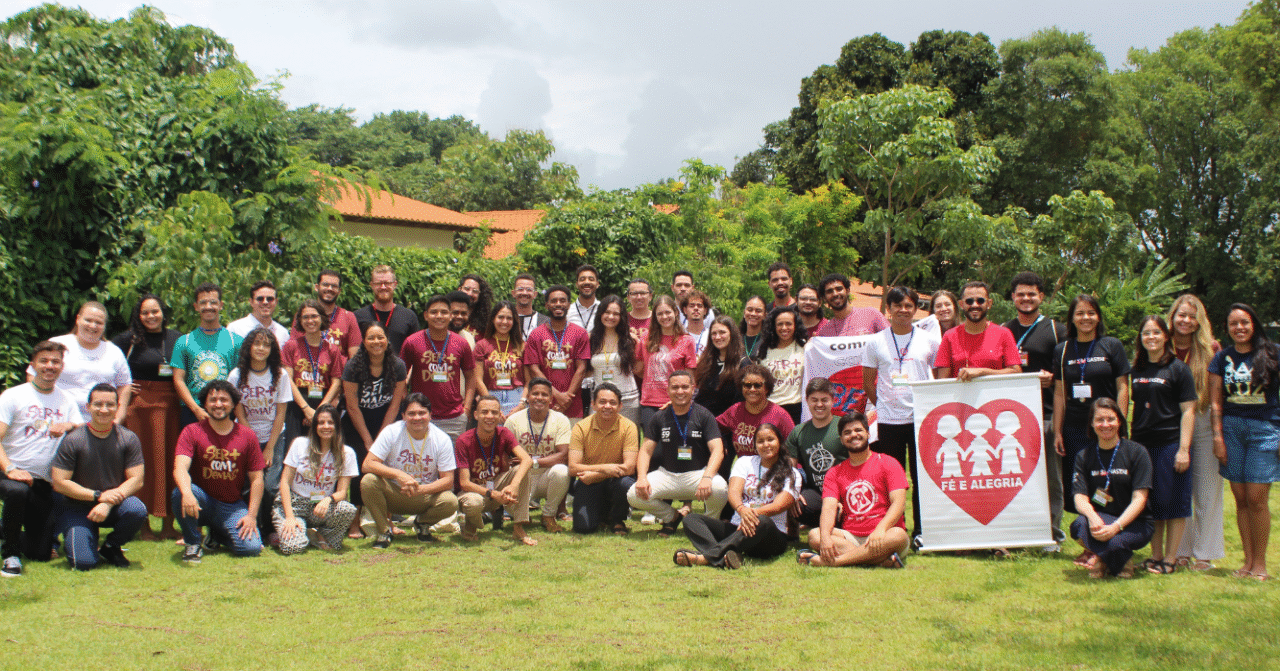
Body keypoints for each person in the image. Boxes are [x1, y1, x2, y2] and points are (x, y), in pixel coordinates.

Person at [1209, 303, 1280, 581]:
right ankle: (1247, 563)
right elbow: (1216, 402)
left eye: (1244, 322)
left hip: (1265, 429)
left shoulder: (1273, 353)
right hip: (1231, 431)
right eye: (1233, 324)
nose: (1239, 328)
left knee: (1257, 499)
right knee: (1240, 499)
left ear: (1254, 324)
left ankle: (1260, 565)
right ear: (1227, 328)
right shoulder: (1221, 358)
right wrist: (1217, 437)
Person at [0, 341, 84, 577]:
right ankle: (10, 556)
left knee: (40, 553)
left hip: (42, 482)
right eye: (44, 361)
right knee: (17, 491)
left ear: (61, 366)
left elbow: (81, 428)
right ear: (33, 365)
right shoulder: (13, 395)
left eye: (55, 361)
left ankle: (8, 531)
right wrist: (10, 469)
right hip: (8, 473)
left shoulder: (65, 400)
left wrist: (67, 425)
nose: (50, 366)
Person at [862, 286, 938, 542]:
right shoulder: (875, 341)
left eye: (908, 306)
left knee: (921, 477)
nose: (903, 310)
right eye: (898, 306)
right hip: (888, 421)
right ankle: (896, 530)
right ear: (888, 309)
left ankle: (922, 531)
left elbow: (940, 377)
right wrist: (884, 406)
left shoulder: (929, 340)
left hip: (920, 420)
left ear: (915, 309)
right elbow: (868, 382)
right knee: (892, 480)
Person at [1002, 272, 1068, 548]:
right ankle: (1020, 530)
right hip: (1011, 419)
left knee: (1051, 477)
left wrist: (1054, 377)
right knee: (1014, 476)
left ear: (1041, 296)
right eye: (1021, 294)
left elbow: (1069, 369)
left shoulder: (1056, 330)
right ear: (1012, 297)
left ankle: (1052, 533)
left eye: (1032, 294)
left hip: (1047, 413)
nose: (1026, 298)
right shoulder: (1004, 330)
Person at [675, 423, 801, 569]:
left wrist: (752, 515)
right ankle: (726, 557)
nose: (766, 444)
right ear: (755, 446)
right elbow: (733, 492)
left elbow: (779, 506)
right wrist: (742, 510)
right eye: (760, 441)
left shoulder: (792, 473)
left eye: (770, 440)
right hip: (738, 528)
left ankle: (706, 557)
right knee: (691, 519)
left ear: (780, 442)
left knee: (762, 521)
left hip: (770, 537)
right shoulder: (745, 462)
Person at [50, 384, 146, 570]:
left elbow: (137, 479)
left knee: (137, 509)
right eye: (98, 404)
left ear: (118, 407)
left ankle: (111, 546)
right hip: (78, 507)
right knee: (83, 563)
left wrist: (107, 502)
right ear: (88, 407)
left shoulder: (128, 438)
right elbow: (60, 483)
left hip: (114, 504)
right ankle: (85, 538)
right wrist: (98, 496)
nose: (104, 410)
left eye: (110, 405)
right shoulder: (73, 440)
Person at [798, 411, 910, 568]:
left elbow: (899, 503)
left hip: (884, 533)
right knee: (815, 535)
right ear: (842, 440)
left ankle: (836, 562)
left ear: (868, 433)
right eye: (847, 432)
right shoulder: (834, 472)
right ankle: (877, 560)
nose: (853, 435)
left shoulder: (888, 462)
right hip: (851, 536)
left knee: (898, 535)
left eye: (858, 430)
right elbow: (828, 509)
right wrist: (825, 537)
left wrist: (880, 529)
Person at [1129, 316, 1196, 574]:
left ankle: (1170, 558)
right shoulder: (1136, 369)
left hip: (1170, 444)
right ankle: (1155, 555)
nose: (1151, 337)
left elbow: (1188, 411)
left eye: (1156, 332)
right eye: (1146, 333)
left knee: (1174, 502)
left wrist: (1183, 449)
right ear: (1140, 338)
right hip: (1142, 444)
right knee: (1152, 502)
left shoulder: (1178, 368)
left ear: (1166, 336)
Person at [1052, 293, 1129, 519]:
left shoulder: (1111, 345)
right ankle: (1087, 532)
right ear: (1072, 318)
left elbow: (1123, 388)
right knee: (1080, 482)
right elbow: (1060, 393)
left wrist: (1120, 424)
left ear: (1098, 317)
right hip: (1074, 428)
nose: (1086, 318)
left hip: (1105, 426)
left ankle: (1108, 528)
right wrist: (1057, 431)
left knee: (1106, 480)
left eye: (1091, 313)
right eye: (1080, 313)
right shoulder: (1062, 350)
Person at [113, 293, 182, 540]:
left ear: (163, 312)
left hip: (170, 407)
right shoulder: (127, 340)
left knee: (168, 463)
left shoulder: (176, 338)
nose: (151, 316)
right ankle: (142, 526)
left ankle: (168, 524)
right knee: (140, 464)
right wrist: (121, 387)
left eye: (155, 311)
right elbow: (108, 366)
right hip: (138, 408)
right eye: (145, 312)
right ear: (138, 315)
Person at [172, 380, 265, 563]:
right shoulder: (192, 431)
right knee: (179, 493)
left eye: (224, 400)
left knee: (251, 548)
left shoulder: (247, 435)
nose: (218, 404)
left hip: (231, 505)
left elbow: (257, 479)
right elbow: (180, 468)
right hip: (201, 501)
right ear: (205, 404)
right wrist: (187, 493)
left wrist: (251, 516)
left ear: (233, 404)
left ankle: (217, 534)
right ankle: (193, 543)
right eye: (213, 400)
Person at [629, 371, 728, 536]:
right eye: (675, 387)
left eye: (684, 387)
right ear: (668, 390)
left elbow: (717, 449)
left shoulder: (704, 415)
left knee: (719, 488)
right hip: (668, 475)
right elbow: (645, 450)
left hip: (697, 476)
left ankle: (708, 523)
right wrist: (641, 478)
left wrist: (707, 477)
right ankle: (673, 517)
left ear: (693, 389)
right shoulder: (659, 417)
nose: (680, 391)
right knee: (634, 494)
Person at [1167, 294, 1224, 570]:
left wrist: (1218, 430)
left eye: (1192, 316)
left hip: (1202, 419)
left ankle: (1205, 553)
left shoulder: (1211, 348)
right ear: (1172, 317)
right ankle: (1181, 550)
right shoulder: (1161, 344)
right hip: (1171, 421)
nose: (1186, 321)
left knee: (1207, 488)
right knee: (1179, 488)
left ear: (1199, 321)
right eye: (1182, 315)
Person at [359, 393, 459, 548]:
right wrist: (399, 475)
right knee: (368, 481)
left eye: (422, 413)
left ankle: (422, 524)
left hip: (424, 495)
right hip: (394, 492)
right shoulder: (391, 432)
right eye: (411, 413)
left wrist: (421, 490)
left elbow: (448, 480)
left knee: (450, 501)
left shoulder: (442, 439)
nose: (417, 418)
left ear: (430, 415)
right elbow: (367, 464)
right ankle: (384, 531)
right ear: (403, 416)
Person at [1070, 398, 1153, 578]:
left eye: (1111, 419)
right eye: (1100, 420)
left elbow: (1140, 499)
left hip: (1135, 523)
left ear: (1119, 421)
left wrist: (1116, 526)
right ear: (1092, 423)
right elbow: (1079, 497)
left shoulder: (1137, 452)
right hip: (1102, 519)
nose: (1106, 424)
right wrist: (1093, 518)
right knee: (1078, 526)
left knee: (1114, 541)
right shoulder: (1084, 456)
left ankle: (1103, 559)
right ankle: (1115, 559)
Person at [340, 321, 407, 537]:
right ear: (364, 341)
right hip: (357, 425)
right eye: (371, 338)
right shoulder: (353, 366)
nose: (376, 342)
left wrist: (381, 437)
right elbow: (352, 406)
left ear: (387, 340)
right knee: (358, 471)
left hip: (386, 423)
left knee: (386, 469)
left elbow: (395, 404)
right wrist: (368, 440)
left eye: (380, 337)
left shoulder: (397, 365)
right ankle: (354, 523)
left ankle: (388, 522)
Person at [228, 328, 293, 539]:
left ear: (272, 349)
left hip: (274, 436)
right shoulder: (236, 375)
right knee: (249, 484)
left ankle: (270, 529)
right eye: (257, 343)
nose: (261, 348)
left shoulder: (280, 375)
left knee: (271, 485)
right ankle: (250, 526)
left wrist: (270, 448)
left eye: (266, 345)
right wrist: (253, 444)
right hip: (246, 436)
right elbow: (239, 412)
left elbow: (281, 413)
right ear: (249, 347)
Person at [274, 404, 358, 554]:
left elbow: (342, 492)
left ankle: (322, 535)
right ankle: (301, 534)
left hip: (320, 505)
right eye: (321, 422)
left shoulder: (347, 453)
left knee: (347, 509)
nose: (326, 426)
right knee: (293, 547)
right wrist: (290, 517)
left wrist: (328, 500)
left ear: (337, 426)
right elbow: (285, 482)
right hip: (294, 504)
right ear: (314, 426)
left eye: (330, 422)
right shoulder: (300, 444)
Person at [28, 301, 132, 420]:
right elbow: (33, 374)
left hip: (98, 422)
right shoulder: (57, 344)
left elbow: (124, 385)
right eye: (88, 320)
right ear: (78, 319)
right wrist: (40, 407)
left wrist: (118, 418)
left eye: (99, 322)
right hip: (57, 418)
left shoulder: (114, 352)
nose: (93, 326)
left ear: (104, 326)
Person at [455, 396, 537, 545]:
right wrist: (493, 494)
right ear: (476, 415)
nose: (490, 416)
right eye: (484, 412)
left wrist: (514, 485)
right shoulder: (464, 440)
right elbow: (464, 483)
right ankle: (470, 526)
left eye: (494, 412)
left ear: (500, 415)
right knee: (473, 502)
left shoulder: (503, 433)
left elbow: (527, 460)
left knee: (522, 470)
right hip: (472, 492)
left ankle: (518, 527)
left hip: (496, 487)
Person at [400, 295, 479, 439]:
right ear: (426, 315)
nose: (439, 316)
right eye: (434, 312)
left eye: (444, 312)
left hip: (454, 417)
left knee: (452, 454)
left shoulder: (461, 343)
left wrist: (466, 409)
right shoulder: (412, 342)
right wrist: (408, 405)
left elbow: (471, 376)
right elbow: (400, 378)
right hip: (421, 415)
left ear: (450, 316)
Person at [568, 384, 639, 534]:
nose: (607, 406)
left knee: (625, 484)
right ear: (593, 404)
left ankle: (617, 519)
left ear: (620, 406)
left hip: (615, 480)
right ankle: (602, 514)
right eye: (602, 402)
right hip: (589, 483)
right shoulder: (580, 427)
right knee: (583, 528)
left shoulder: (629, 427)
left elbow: (629, 468)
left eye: (613, 403)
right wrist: (604, 469)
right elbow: (573, 468)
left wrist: (598, 474)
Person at [171, 282, 243, 427]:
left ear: (221, 305)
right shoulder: (184, 342)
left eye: (213, 302)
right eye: (203, 303)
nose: (208, 306)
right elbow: (178, 380)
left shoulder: (235, 341)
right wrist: (195, 409)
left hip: (226, 410)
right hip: (193, 411)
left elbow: (241, 380)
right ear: (196, 306)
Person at [504, 378, 572, 532]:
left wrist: (532, 462)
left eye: (544, 394)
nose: (539, 398)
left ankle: (548, 515)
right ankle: (521, 514)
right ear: (528, 397)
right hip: (521, 477)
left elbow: (562, 455)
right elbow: (505, 456)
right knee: (512, 507)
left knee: (562, 471)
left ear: (551, 398)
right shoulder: (513, 421)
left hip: (546, 477)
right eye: (535, 394)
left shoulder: (560, 420)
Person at [716, 364, 796, 488]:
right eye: (747, 385)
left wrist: (786, 480)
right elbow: (711, 426)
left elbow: (793, 449)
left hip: (775, 472)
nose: (752, 389)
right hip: (746, 473)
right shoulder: (735, 411)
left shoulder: (780, 415)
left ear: (767, 388)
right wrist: (721, 444)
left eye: (757, 385)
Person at [522, 285, 591, 420]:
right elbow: (534, 369)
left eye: (562, 300)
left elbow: (581, 368)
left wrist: (567, 398)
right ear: (547, 305)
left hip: (573, 404)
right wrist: (557, 395)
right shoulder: (536, 335)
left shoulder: (580, 333)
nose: (558, 304)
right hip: (544, 403)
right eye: (553, 301)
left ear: (569, 305)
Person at [786, 378, 847, 528]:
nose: (819, 404)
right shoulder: (798, 432)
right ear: (807, 401)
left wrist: (844, 497)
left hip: (845, 492)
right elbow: (788, 469)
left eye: (824, 400)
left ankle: (836, 522)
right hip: (818, 493)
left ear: (833, 400)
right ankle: (795, 532)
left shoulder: (845, 427)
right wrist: (792, 492)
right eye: (814, 400)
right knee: (794, 502)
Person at [934, 281, 1021, 382]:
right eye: (969, 301)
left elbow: (1016, 372)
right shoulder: (950, 336)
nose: (975, 305)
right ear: (961, 304)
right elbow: (942, 380)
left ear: (989, 303)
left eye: (980, 300)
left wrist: (982, 372)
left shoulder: (1004, 333)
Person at [284, 301, 345, 439]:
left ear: (322, 318)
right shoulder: (291, 346)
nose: (310, 321)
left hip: (323, 401)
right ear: (300, 321)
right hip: (297, 403)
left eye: (314, 316)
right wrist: (306, 409)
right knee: (295, 446)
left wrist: (319, 412)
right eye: (305, 317)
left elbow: (336, 382)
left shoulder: (332, 349)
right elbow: (288, 379)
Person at [637, 295, 699, 427]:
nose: (664, 317)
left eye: (668, 312)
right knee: (650, 440)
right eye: (660, 314)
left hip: (676, 401)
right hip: (649, 402)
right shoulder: (645, 338)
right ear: (655, 316)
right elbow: (639, 369)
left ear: (675, 312)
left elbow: (690, 377)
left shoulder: (686, 340)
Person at [587, 295, 641, 424]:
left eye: (616, 314)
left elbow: (639, 368)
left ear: (621, 317)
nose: (611, 317)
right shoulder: (590, 339)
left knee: (628, 435)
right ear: (600, 313)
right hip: (600, 400)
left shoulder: (631, 340)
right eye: (607, 312)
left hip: (627, 399)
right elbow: (586, 371)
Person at [291, 270, 362, 357]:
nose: (330, 289)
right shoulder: (303, 316)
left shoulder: (348, 317)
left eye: (334, 286)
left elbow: (355, 357)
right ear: (317, 287)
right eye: (325, 285)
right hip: (306, 364)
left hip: (338, 365)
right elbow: (292, 350)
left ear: (339, 291)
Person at [473, 301, 527, 415]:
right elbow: (477, 379)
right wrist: (490, 404)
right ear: (493, 319)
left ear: (514, 321)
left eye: (509, 318)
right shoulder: (482, 345)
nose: (504, 322)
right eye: (500, 317)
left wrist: (522, 404)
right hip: (490, 395)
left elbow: (529, 380)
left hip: (517, 397)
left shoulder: (522, 346)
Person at [757, 305, 808, 424]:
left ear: (795, 325)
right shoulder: (764, 350)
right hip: (770, 408)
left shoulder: (805, 348)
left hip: (797, 408)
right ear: (773, 326)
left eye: (788, 324)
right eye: (780, 324)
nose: (784, 328)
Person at [354, 264, 420, 355]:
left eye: (387, 283)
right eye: (378, 283)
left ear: (395, 284)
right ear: (372, 285)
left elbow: (415, 352)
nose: (383, 287)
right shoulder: (358, 317)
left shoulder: (409, 316)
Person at [693, 316, 751, 418]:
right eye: (714, 333)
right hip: (704, 421)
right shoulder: (707, 362)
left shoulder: (743, 364)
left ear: (732, 334)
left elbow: (741, 402)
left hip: (729, 422)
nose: (717, 337)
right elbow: (701, 397)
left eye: (722, 332)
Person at [813, 273, 888, 338]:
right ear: (824, 298)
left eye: (839, 289)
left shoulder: (871, 314)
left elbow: (891, 339)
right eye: (829, 291)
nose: (835, 294)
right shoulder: (824, 333)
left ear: (848, 291)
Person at [227, 280, 290, 347]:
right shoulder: (235, 329)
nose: (265, 302)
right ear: (251, 302)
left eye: (270, 299)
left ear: (276, 302)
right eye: (260, 299)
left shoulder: (283, 334)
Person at [511, 273, 549, 339]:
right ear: (513, 293)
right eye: (520, 289)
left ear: (535, 294)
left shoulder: (545, 322)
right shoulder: (505, 319)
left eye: (529, 290)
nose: (524, 293)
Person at [457, 273, 493, 339]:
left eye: (475, 291)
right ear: (459, 289)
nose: (470, 293)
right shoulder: (448, 315)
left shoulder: (486, 322)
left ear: (479, 295)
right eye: (467, 289)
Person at [567, 264, 601, 332]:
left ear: (597, 284)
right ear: (577, 284)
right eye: (582, 279)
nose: (587, 282)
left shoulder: (604, 310)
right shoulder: (568, 311)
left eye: (591, 279)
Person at [681, 290, 712, 357]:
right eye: (692, 306)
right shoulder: (679, 335)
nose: (696, 308)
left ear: (705, 310)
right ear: (685, 310)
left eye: (699, 306)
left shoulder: (711, 336)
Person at [626, 278, 654, 344]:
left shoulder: (659, 318)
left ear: (650, 296)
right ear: (628, 297)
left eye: (642, 293)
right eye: (634, 293)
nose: (639, 297)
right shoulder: (623, 319)